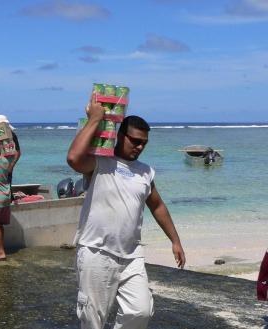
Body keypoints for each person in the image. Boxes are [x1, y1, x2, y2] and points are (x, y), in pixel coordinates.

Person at [66, 95, 186, 329]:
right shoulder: (100, 163)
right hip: (96, 251)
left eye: (144, 143)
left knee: (140, 311)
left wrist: (175, 240)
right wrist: (95, 119)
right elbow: (73, 158)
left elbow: (157, 205)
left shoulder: (145, 172)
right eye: (135, 140)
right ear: (120, 136)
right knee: (92, 319)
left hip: (131, 255)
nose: (140, 146)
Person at [0, 114, 21, 184]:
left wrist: (11, 166)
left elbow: (18, 151)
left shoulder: (12, 134)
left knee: (6, 187)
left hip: (7, 167)